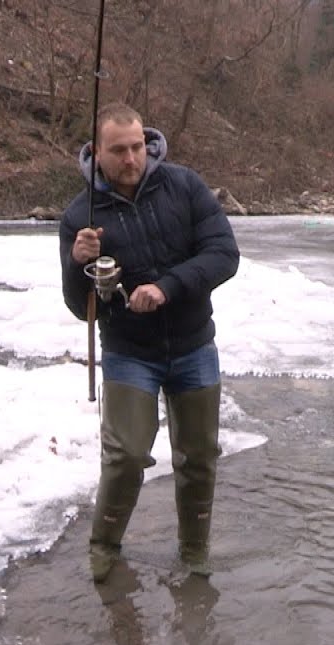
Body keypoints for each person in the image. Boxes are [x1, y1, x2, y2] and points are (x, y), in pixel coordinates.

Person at [59, 102, 240, 583]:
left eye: (137, 147)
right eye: (118, 150)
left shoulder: (184, 186)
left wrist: (166, 287)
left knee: (199, 456)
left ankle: (194, 551)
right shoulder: (81, 215)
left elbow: (224, 253)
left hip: (193, 343)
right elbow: (81, 308)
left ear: (149, 143)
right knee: (126, 456)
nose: (131, 159)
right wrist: (78, 264)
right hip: (127, 352)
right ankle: (104, 548)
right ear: (97, 153)